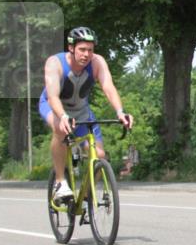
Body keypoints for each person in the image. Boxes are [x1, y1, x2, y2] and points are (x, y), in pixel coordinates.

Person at [39, 26, 133, 203]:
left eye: (90, 50)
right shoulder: (55, 63)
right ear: (71, 48)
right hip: (53, 106)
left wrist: (120, 112)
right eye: (82, 49)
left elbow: (108, 87)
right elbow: (52, 96)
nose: (86, 54)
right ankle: (60, 182)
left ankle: (87, 195)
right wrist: (64, 116)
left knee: (100, 155)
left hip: (81, 111)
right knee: (60, 130)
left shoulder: (97, 62)